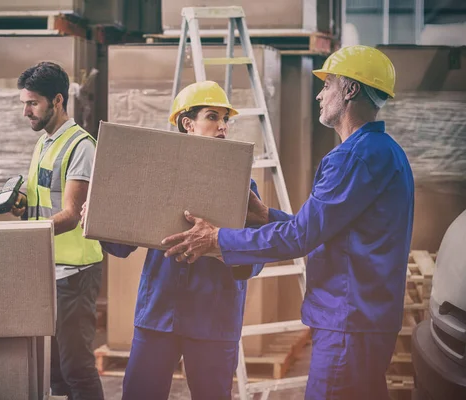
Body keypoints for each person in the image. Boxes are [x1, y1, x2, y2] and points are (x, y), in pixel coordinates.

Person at [162, 45, 415, 399]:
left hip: (347, 319)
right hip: (365, 318)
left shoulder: (353, 157)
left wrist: (219, 239)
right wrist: (265, 215)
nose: (319, 94)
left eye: (327, 85)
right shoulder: (385, 151)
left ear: (351, 90)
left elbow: (301, 237)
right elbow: (327, 230)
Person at [81, 81, 266, 400]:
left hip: (213, 317)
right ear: (188, 123)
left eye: (225, 119)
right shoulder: (157, 178)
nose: (222, 127)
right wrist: (98, 218)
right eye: (213, 117)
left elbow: (255, 257)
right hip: (159, 312)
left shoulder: (242, 185)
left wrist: (220, 247)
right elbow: (122, 245)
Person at [10, 62, 104, 399]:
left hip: (75, 274)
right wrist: (21, 206)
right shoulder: (45, 143)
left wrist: (20, 237)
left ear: (58, 100)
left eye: (32, 103)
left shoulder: (81, 146)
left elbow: (70, 214)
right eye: (25, 103)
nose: (26, 112)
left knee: (76, 367)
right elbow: (41, 203)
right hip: (48, 270)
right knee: (54, 370)